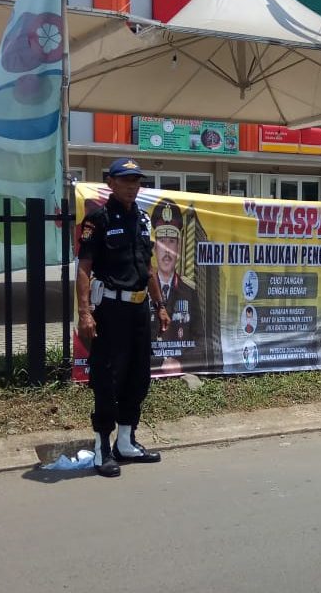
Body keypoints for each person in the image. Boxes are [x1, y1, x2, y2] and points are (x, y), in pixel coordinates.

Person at [77, 158, 170, 477]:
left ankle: (126, 443)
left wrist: (159, 305)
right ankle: (102, 447)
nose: (133, 186)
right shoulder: (98, 219)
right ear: (110, 182)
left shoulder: (143, 220)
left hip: (139, 309)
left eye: (137, 181)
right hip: (111, 310)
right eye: (126, 180)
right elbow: (84, 268)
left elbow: (149, 267)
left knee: (138, 376)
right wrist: (84, 311)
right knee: (107, 377)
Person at [150, 198, 203, 373]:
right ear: (154, 248)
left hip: (181, 369)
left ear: (179, 246)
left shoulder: (189, 291)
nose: (167, 250)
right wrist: (160, 363)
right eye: (162, 241)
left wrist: (181, 363)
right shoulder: (142, 290)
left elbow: (201, 340)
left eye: (171, 241)